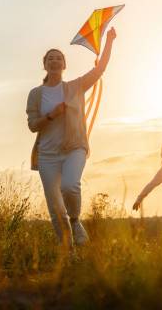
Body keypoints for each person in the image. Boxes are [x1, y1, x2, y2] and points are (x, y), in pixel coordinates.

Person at [26, 27, 117, 248]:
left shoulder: (75, 87)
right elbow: (32, 126)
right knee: (56, 208)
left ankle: (75, 220)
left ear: (64, 65)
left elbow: (100, 69)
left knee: (69, 186)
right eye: (51, 58)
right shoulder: (36, 94)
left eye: (59, 58)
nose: (55, 61)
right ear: (45, 64)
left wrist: (109, 41)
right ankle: (67, 252)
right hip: (47, 155)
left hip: (74, 147)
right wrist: (51, 115)